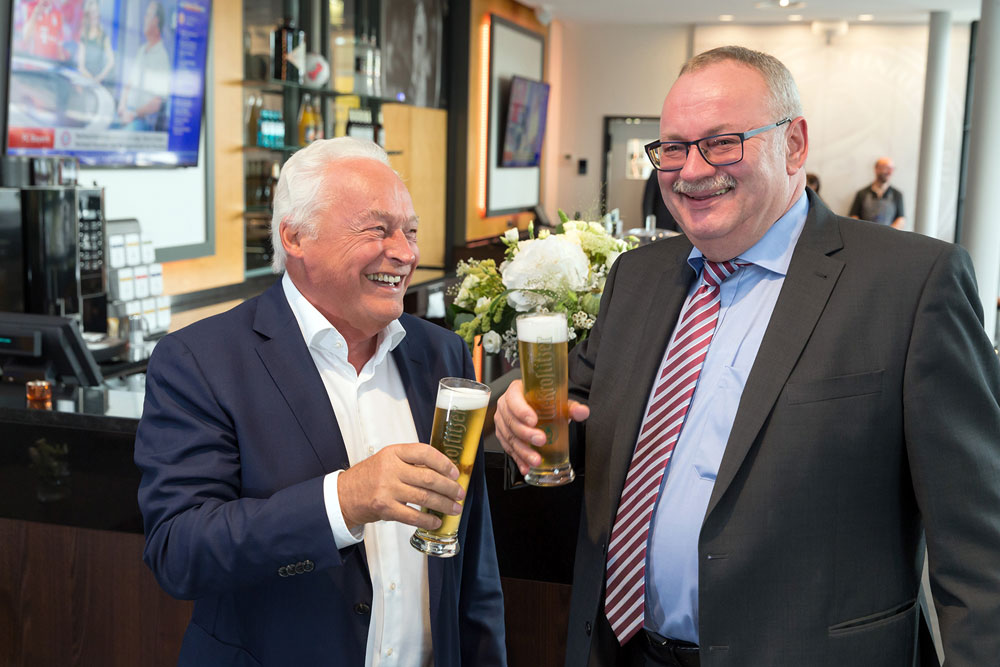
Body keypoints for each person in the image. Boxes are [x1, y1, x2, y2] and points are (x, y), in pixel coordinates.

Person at [495, 45, 1000, 667]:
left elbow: (982, 551)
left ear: (794, 144)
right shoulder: (639, 276)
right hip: (622, 650)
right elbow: (585, 406)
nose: (691, 169)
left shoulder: (912, 284)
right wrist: (517, 408)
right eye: (673, 148)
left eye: (723, 141)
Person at [135, 137, 507, 665]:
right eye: (378, 229)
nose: (405, 253)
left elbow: (473, 562)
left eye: (411, 231)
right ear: (296, 238)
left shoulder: (441, 351)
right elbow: (180, 552)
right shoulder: (200, 360)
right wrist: (343, 499)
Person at [117, 1, 170, 131]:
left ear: (156, 21)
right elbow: (129, 83)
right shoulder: (142, 50)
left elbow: (158, 102)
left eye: (147, 16)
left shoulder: (162, 57)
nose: (144, 19)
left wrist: (133, 114)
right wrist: (122, 106)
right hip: (126, 114)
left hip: (141, 121)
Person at [849, 157, 905, 229]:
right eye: (886, 168)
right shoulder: (862, 193)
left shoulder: (897, 194)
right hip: (864, 236)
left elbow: (901, 220)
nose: (889, 172)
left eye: (892, 169)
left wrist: (888, 234)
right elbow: (853, 217)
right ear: (876, 169)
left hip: (888, 238)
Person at [76, 0, 114, 83]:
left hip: (98, 82)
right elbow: (80, 66)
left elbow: (111, 61)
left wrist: (99, 78)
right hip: (84, 81)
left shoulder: (103, 36)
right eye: (92, 12)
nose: (94, 15)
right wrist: (91, 79)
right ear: (88, 15)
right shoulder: (83, 35)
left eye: (96, 12)